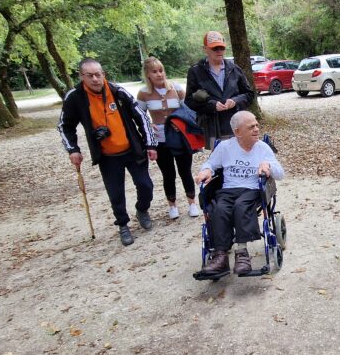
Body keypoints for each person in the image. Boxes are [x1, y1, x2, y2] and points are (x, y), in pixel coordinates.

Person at [59, 58, 157, 246]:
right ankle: (123, 224)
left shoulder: (117, 91)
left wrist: (150, 144)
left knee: (146, 186)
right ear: (81, 76)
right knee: (115, 193)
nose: (95, 79)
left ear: (103, 74)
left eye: (98, 74)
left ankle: (142, 209)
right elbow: (65, 125)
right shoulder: (75, 97)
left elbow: (141, 117)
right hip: (107, 156)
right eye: (90, 75)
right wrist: (73, 149)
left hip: (132, 149)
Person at [195, 111, 283, 275]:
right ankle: (220, 256)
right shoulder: (225, 147)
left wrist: (268, 166)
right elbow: (210, 164)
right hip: (228, 190)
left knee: (241, 206)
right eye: (251, 127)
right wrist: (206, 170)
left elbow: (280, 173)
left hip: (252, 189)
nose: (256, 129)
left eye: (256, 125)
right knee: (219, 209)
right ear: (237, 132)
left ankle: (242, 253)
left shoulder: (263, 148)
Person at [137, 57, 200, 220]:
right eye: (154, 71)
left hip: (179, 138)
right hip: (160, 140)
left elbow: (188, 111)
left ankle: (192, 203)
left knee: (185, 170)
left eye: (161, 70)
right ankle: (172, 205)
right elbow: (139, 116)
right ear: (148, 74)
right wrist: (149, 126)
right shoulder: (144, 93)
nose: (159, 74)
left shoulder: (176, 88)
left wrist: (180, 123)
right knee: (168, 173)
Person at [186, 31, 256, 150]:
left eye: (221, 48)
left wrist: (235, 101)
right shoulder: (195, 71)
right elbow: (189, 100)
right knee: (218, 158)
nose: (219, 51)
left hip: (236, 125)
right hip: (212, 127)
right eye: (215, 48)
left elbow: (249, 94)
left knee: (239, 156)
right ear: (205, 49)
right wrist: (212, 105)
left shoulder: (234, 69)